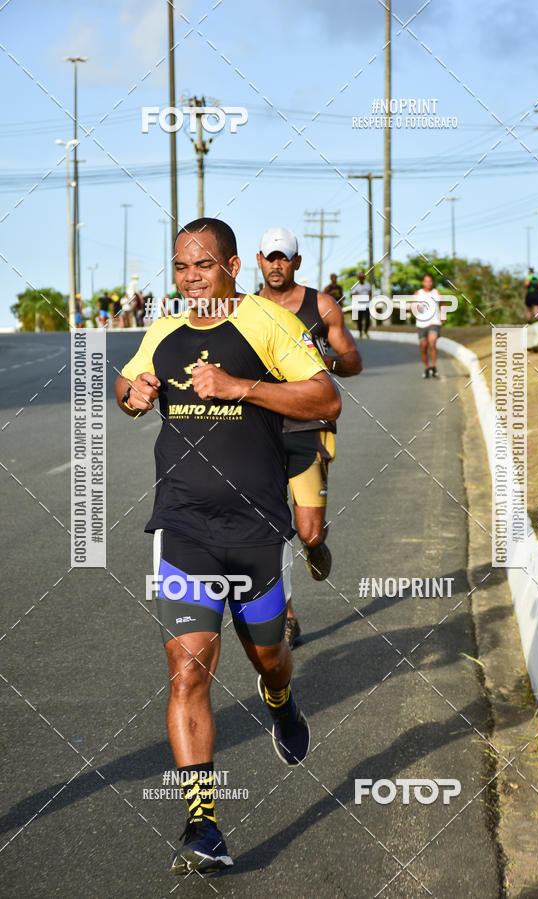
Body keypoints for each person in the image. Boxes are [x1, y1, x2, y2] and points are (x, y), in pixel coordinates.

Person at [115, 217, 340, 875]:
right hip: (183, 528)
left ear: (233, 267)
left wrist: (240, 387)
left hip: (254, 529)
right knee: (189, 669)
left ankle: (280, 700)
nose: (190, 278)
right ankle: (203, 824)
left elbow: (326, 394)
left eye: (203, 265)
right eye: (181, 267)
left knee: (269, 658)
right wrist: (135, 394)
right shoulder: (162, 330)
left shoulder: (266, 326)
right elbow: (128, 386)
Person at [257, 226, 362, 648]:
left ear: (296, 262)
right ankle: (287, 615)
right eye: (269, 257)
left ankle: (314, 545)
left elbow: (353, 358)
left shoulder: (321, 305)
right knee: (266, 528)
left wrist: (329, 363)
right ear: (258, 261)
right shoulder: (246, 309)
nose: (276, 264)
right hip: (259, 426)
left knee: (307, 531)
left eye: (284, 257)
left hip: (307, 425)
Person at [412, 273, 444, 379]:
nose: (428, 283)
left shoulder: (437, 293)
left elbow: (442, 304)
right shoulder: (418, 293)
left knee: (432, 342)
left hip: (434, 322)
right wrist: (416, 308)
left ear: (432, 282)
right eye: (426, 281)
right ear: (423, 282)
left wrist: (443, 315)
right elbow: (412, 307)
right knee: (423, 347)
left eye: (430, 281)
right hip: (421, 324)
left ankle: (433, 366)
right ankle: (427, 367)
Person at [350, 271, 372, 339]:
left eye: (363, 278)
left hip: (366, 305)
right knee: (359, 320)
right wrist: (355, 293)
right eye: (360, 278)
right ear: (359, 278)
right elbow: (351, 295)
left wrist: (370, 299)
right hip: (358, 305)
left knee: (368, 319)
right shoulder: (356, 286)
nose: (362, 279)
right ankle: (360, 333)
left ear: (364, 278)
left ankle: (365, 331)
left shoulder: (367, 285)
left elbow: (370, 293)